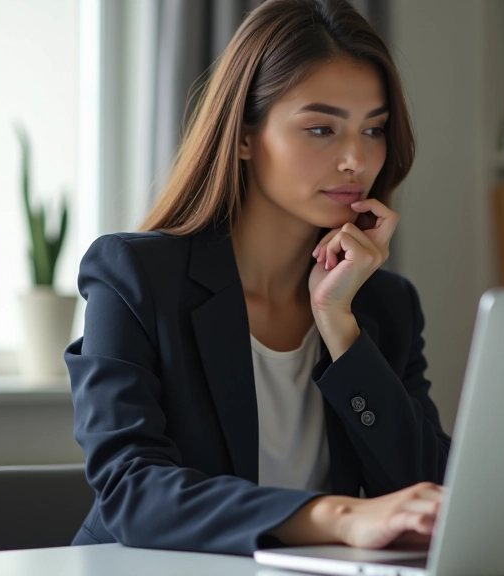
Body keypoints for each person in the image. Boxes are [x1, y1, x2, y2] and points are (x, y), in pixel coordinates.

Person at [66, 0, 451, 557]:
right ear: (244, 136)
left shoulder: (385, 306)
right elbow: (131, 490)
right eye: (321, 128)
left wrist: (341, 328)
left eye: (374, 130)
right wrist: (337, 515)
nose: (354, 159)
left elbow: (425, 491)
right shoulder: (135, 277)